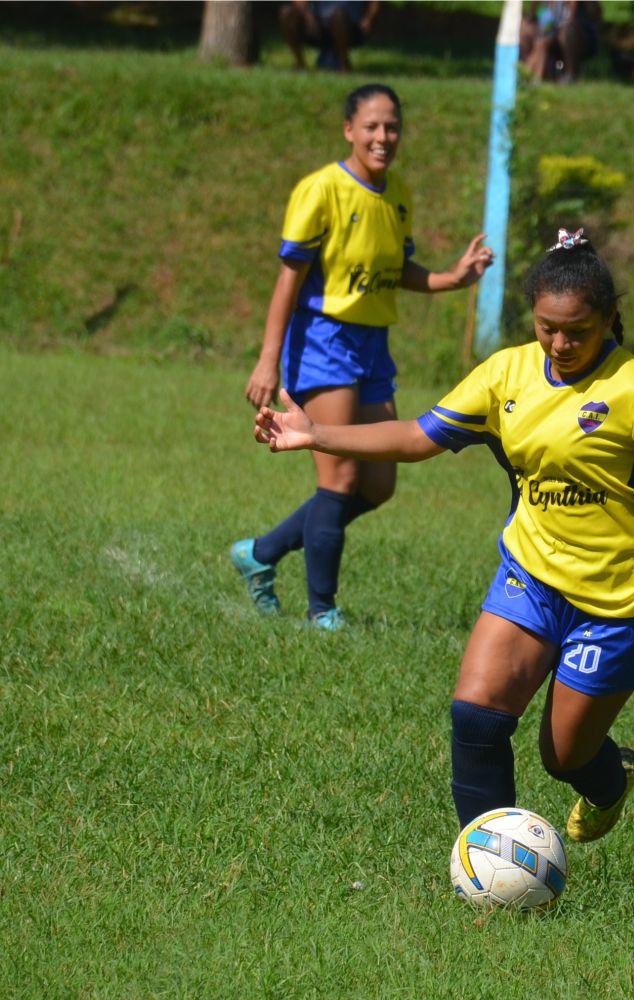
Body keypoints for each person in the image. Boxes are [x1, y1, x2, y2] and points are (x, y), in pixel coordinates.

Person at [252, 231, 634, 842]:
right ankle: (490, 866)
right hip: (531, 574)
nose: (560, 343)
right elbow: (419, 437)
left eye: (578, 331)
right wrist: (318, 434)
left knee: (565, 756)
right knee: (475, 717)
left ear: (610, 319)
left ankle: (611, 780)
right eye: (547, 327)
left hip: (619, 599)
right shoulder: (508, 373)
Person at [231, 85, 494, 630]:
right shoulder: (321, 190)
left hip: (373, 345)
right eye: (371, 126)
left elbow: (397, 270)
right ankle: (322, 612)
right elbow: (289, 280)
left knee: (379, 484)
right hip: (324, 340)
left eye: (392, 127)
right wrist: (267, 358)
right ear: (348, 129)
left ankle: (261, 553)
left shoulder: (397, 192)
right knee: (341, 476)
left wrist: (452, 278)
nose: (383, 137)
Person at [281, 1, 380, 73]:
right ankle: (300, 63)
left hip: (349, 26)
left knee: (338, 16)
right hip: (317, 26)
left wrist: (368, 19)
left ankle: (344, 66)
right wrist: (308, 17)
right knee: (287, 13)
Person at [522, 1, 602, 84]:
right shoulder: (548, 8)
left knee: (564, 32)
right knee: (539, 43)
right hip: (552, 32)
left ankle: (569, 74)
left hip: (578, 34)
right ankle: (526, 74)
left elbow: (571, 19)